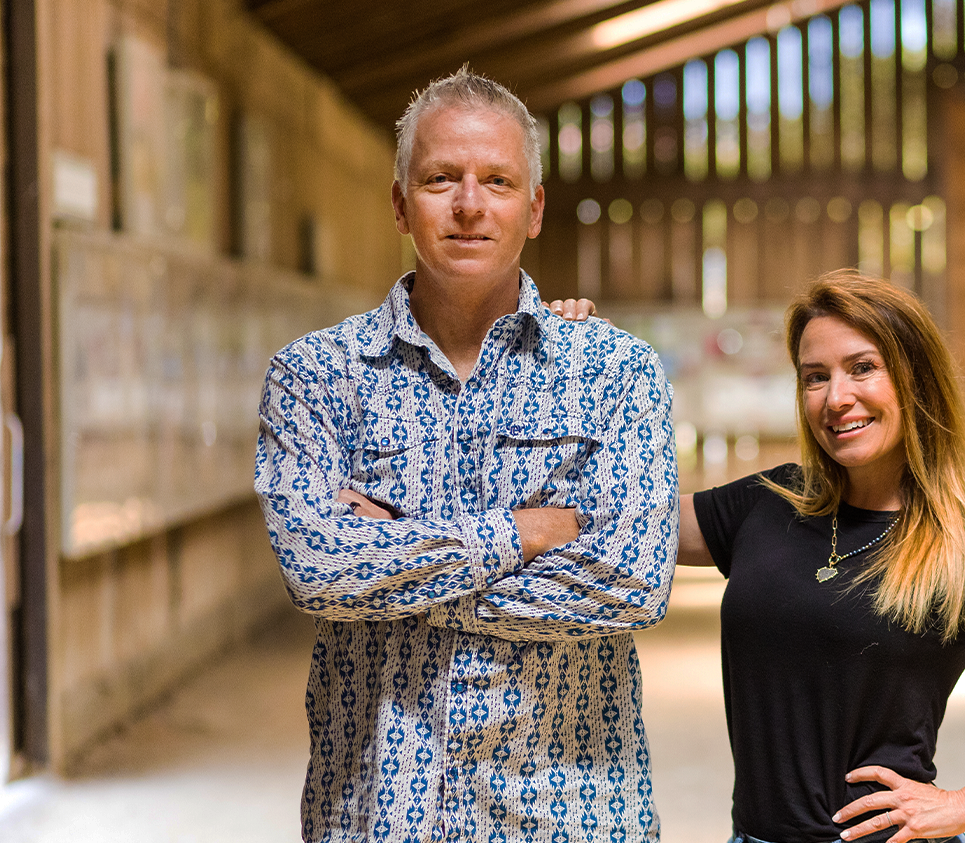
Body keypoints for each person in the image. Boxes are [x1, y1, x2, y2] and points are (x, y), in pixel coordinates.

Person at [255, 67, 677, 843]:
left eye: (498, 180)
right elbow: (315, 568)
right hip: (374, 814)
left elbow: (635, 582)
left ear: (535, 208)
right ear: (398, 203)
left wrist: (392, 564)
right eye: (441, 178)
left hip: (568, 814)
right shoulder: (316, 374)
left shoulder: (615, 371)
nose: (470, 204)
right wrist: (520, 533)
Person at [667, 271, 965, 843]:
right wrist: (564, 358)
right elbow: (612, 525)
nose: (837, 398)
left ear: (915, 380)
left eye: (862, 368)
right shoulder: (766, 504)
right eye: (816, 377)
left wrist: (964, 805)